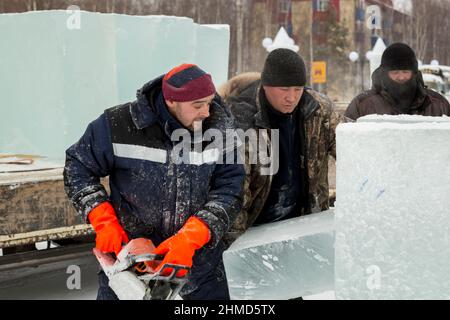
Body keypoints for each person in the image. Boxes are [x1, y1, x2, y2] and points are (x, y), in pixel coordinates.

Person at [63, 63, 245, 300]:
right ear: (171, 101)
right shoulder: (118, 125)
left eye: (209, 103)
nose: (206, 112)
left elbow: (231, 188)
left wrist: (195, 234)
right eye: (197, 105)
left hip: (200, 274)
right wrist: (103, 220)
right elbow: (78, 166)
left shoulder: (221, 130)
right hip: (130, 269)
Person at [218, 48, 343, 246]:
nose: (291, 97)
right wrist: (236, 250)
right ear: (265, 86)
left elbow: (352, 149)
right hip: (255, 231)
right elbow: (234, 192)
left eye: (298, 89)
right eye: (284, 90)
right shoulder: (241, 121)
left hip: (305, 225)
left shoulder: (317, 110)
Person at [345, 42, 450, 120]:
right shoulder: (362, 105)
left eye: (405, 71)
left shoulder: (438, 105)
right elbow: (347, 142)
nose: (401, 77)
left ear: (414, 72)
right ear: (385, 74)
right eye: (395, 72)